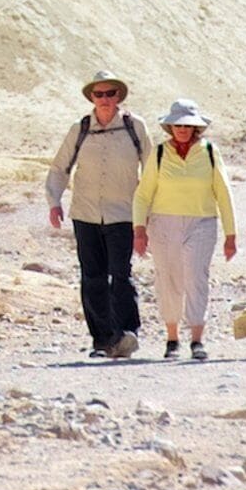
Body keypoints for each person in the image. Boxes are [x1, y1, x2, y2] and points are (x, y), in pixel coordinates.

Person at [44, 75, 149, 359]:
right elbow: (59, 168)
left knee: (121, 274)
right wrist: (54, 201)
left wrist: (150, 212)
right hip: (85, 213)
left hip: (123, 213)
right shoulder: (80, 129)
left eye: (110, 93)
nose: (104, 98)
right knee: (92, 277)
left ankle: (127, 333)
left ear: (119, 96)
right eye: (98, 94)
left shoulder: (134, 127)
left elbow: (151, 170)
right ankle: (102, 340)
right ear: (91, 97)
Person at [129, 101, 241, 359]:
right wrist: (139, 230)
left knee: (195, 276)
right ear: (170, 126)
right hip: (163, 224)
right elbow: (143, 195)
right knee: (167, 278)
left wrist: (231, 234)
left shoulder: (210, 152)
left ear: (196, 128)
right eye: (178, 124)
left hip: (202, 222)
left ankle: (197, 340)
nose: (182, 129)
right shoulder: (158, 154)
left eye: (188, 125)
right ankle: (172, 338)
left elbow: (223, 193)